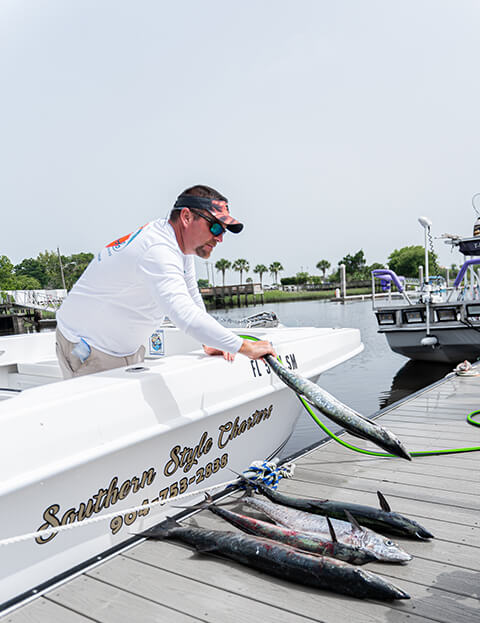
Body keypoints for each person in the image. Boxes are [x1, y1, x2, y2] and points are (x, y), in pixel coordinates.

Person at [55, 184, 275, 378]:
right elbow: (184, 316)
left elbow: (190, 293)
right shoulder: (158, 249)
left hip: (125, 348)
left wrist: (210, 341)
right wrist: (245, 347)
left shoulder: (178, 245)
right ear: (187, 217)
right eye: (215, 227)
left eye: (223, 231)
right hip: (88, 348)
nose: (219, 237)